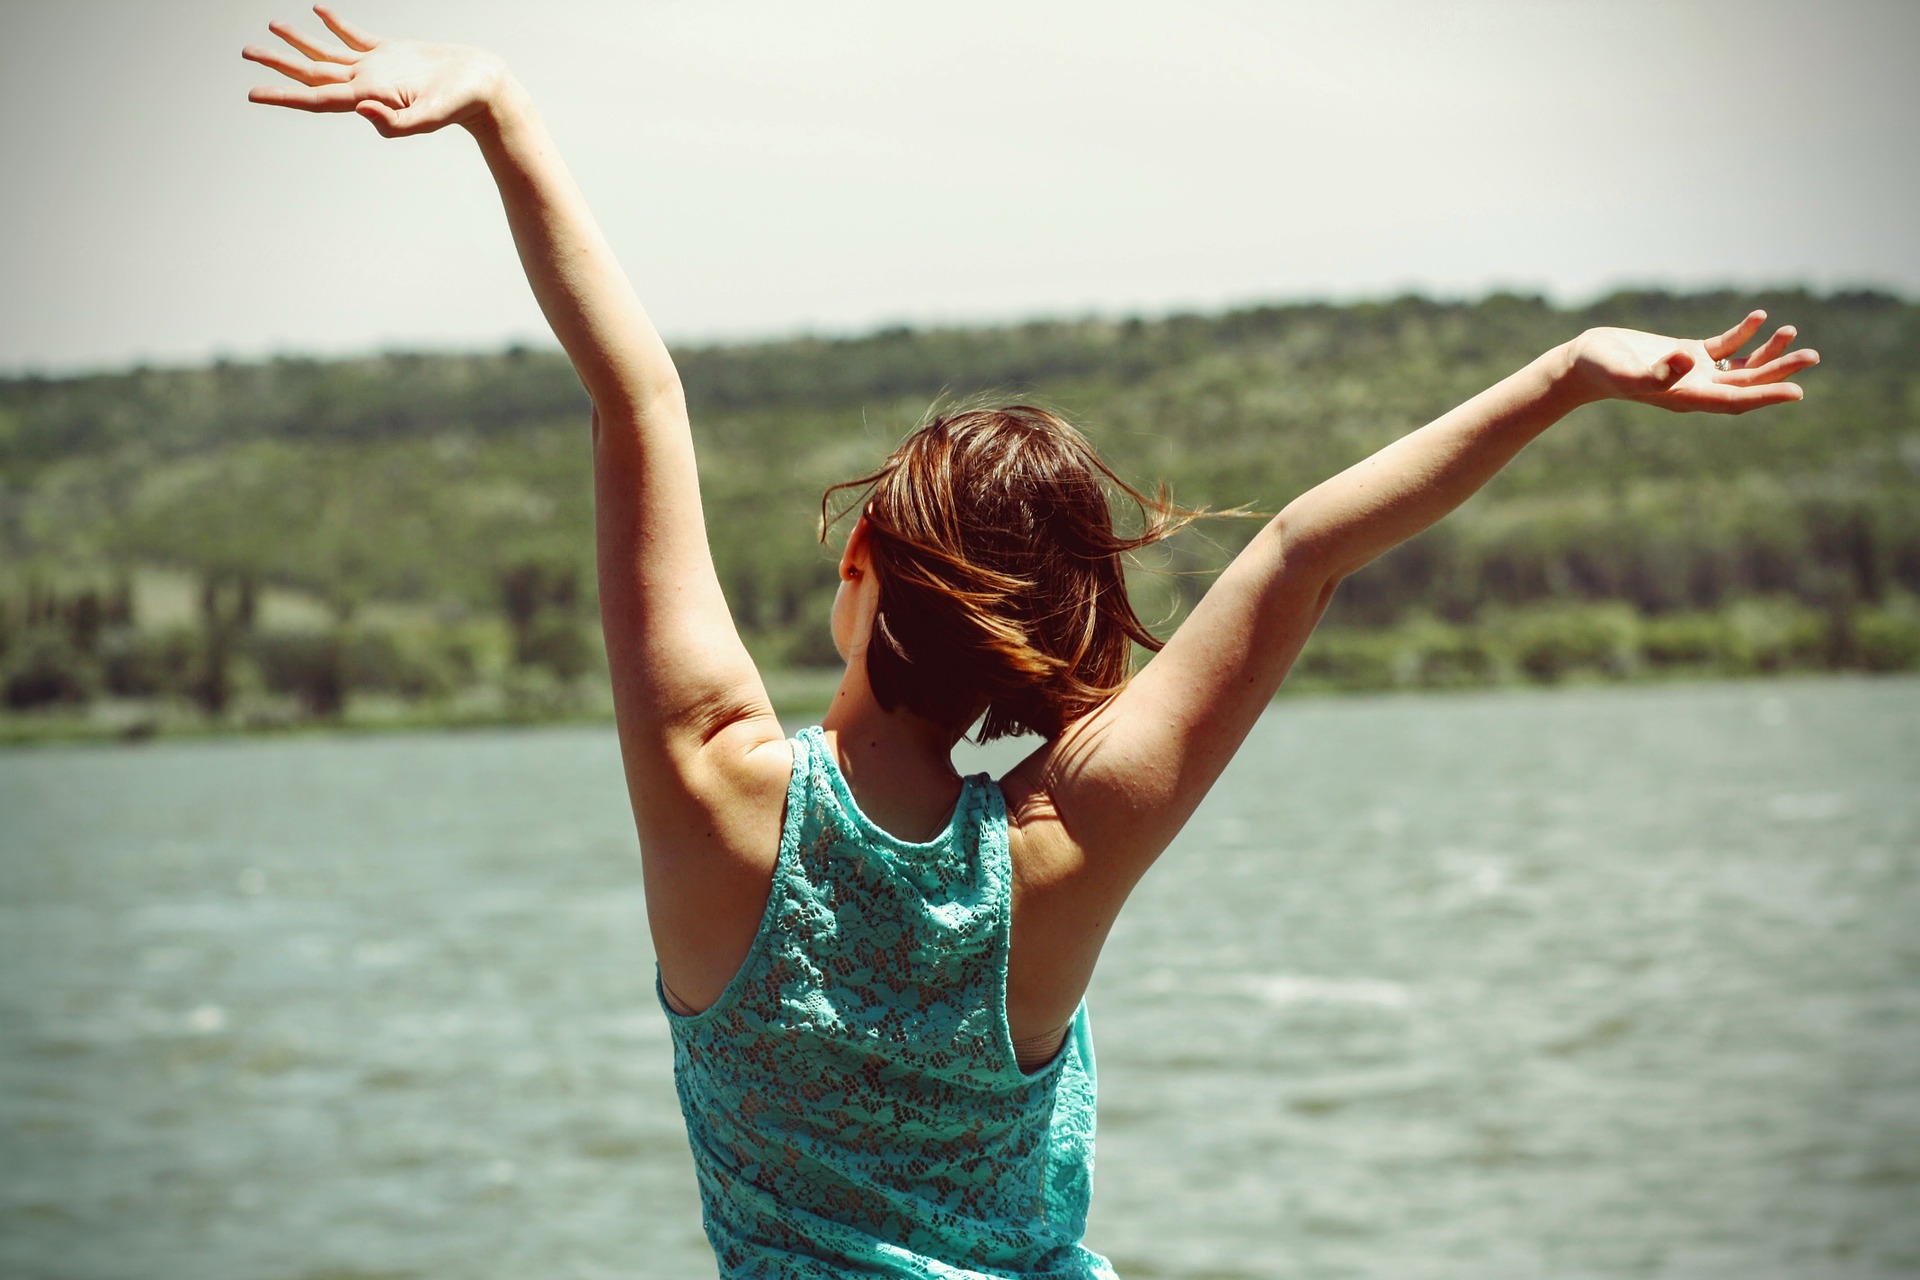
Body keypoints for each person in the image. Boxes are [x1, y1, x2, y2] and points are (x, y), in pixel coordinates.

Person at [244, 9, 1819, 1276]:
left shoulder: (717, 798)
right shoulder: (1064, 850)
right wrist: (1564, 374)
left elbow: (636, 395)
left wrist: (500, 106)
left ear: (859, 561)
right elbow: (1304, 546)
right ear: (1059, 650)